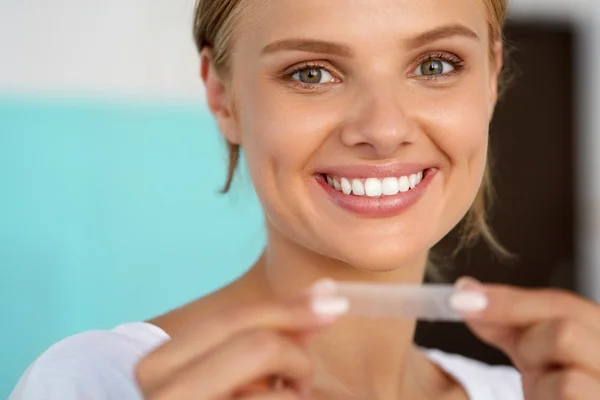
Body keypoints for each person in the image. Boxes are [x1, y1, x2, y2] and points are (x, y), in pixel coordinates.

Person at [10, 0, 600, 398]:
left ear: (492, 78)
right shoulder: (97, 382)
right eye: (312, 73)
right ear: (222, 97)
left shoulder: (521, 389)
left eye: (436, 63)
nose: (384, 128)